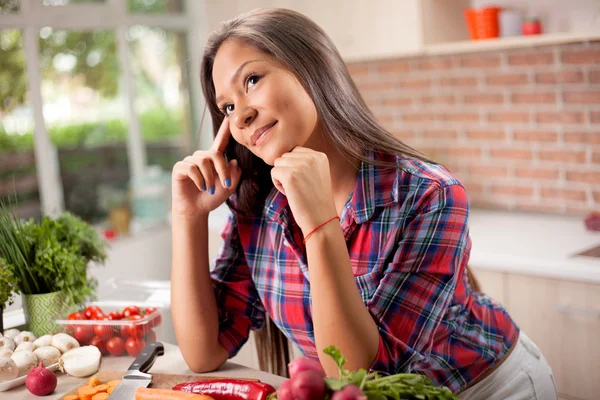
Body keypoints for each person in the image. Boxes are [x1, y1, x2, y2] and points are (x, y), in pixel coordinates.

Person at [170, 8, 557, 400]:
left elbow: (363, 374)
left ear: (311, 68)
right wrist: (188, 217)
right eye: (228, 108)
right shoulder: (257, 206)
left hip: (488, 387)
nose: (242, 116)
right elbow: (204, 353)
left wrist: (320, 226)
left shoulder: (430, 194)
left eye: (252, 80)